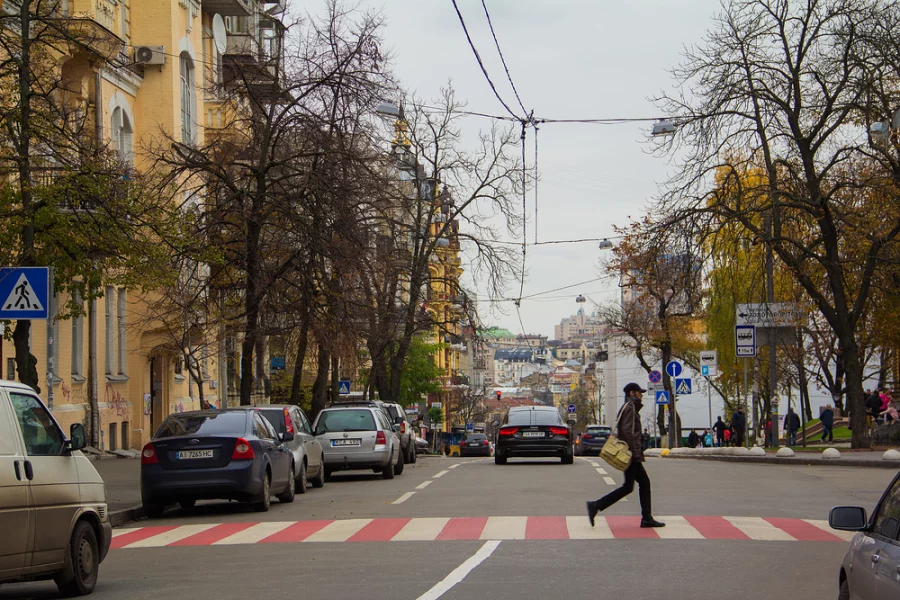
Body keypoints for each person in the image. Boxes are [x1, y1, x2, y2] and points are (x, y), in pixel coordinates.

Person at [587, 383, 665, 529]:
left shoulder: (630, 407)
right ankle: (596, 505)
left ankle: (597, 505)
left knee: (631, 486)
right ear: (632, 393)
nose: (641, 395)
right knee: (640, 484)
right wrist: (635, 453)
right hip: (631, 454)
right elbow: (628, 432)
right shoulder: (630, 408)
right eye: (639, 392)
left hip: (631, 453)